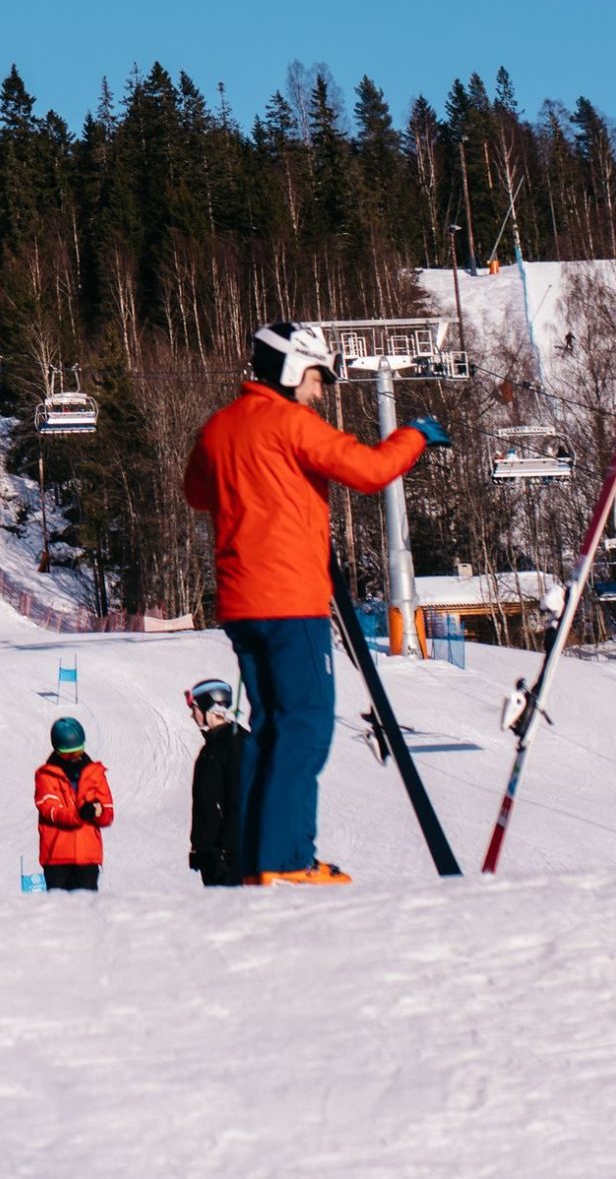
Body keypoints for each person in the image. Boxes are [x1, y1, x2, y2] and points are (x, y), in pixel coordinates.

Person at [183, 321, 441, 887]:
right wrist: (416, 436)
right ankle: (285, 861)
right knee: (303, 727)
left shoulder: (220, 429)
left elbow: (197, 492)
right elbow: (371, 471)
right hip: (290, 599)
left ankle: (263, 861)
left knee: (271, 727)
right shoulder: (293, 425)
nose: (321, 391)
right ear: (293, 370)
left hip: (241, 604)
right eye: (317, 378)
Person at [34, 717, 113, 891]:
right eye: (67, 754)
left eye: (78, 752)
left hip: (87, 856)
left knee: (85, 913)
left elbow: (107, 811)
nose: (73, 758)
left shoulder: (95, 773)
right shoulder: (45, 776)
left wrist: (99, 812)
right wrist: (80, 814)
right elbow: (51, 811)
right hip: (57, 857)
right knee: (60, 913)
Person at [186, 678, 248, 888]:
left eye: (194, 707)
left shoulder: (235, 744)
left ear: (209, 707)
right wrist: (200, 848)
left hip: (230, 857)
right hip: (211, 853)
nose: (192, 714)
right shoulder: (211, 747)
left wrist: (227, 849)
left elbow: (239, 801)